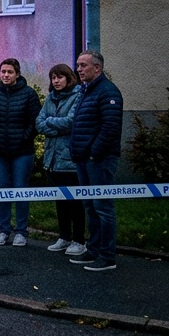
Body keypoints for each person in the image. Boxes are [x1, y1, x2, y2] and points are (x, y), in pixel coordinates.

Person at [68, 50, 123, 272]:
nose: (79, 69)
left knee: (103, 208)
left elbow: (110, 128)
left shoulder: (107, 92)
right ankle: (93, 250)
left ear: (97, 68)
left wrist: (93, 153)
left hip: (99, 160)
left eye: (83, 65)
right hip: (85, 159)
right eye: (78, 65)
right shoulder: (87, 90)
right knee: (90, 206)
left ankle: (107, 256)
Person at [0, 59, 41, 246]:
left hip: (22, 151)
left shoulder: (29, 94)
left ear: (17, 74)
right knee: (2, 190)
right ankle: (4, 230)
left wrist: (24, 138)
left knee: (20, 189)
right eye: (3, 71)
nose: (6, 75)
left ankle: (21, 232)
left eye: (10, 72)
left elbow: (35, 121)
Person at [36, 63, 85, 255]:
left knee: (75, 203)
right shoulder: (51, 97)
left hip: (70, 159)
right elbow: (39, 124)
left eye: (60, 77)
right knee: (61, 202)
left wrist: (50, 122)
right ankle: (64, 237)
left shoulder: (78, 95)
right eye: (53, 78)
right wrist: (55, 126)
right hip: (53, 160)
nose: (56, 81)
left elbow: (72, 122)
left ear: (68, 78)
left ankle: (79, 240)